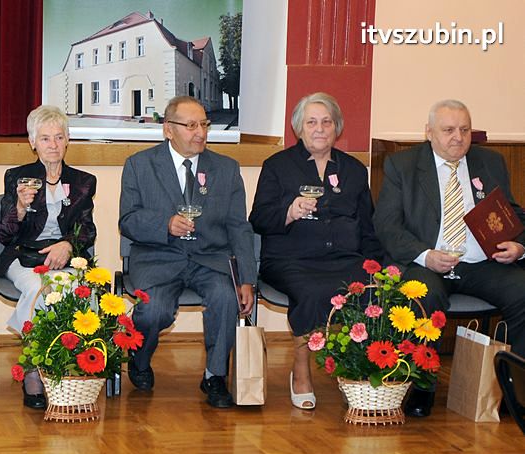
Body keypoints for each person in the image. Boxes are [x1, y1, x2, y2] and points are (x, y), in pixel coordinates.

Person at [374, 99, 525, 417]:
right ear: (429, 132)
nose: (458, 137)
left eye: (465, 130)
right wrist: (425, 255)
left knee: (523, 290)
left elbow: (512, 213)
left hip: (481, 263)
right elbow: (387, 225)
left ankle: (516, 391)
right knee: (423, 294)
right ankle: (422, 386)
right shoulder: (402, 165)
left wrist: (518, 246)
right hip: (427, 263)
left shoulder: (490, 162)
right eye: (449, 130)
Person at [119, 95, 256, 408]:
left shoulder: (226, 169)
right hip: (158, 258)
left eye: (204, 124)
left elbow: (239, 227)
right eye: (191, 125)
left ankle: (215, 376)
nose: (201, 133)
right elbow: (128, 220)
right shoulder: (139, 165)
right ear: (169, 129)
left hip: (210, 259)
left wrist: (247, 278)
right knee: (154, 311)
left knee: (225, 298)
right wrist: (165, 224)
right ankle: (139, 359)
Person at [249, 92, 382, 410]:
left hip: (344, 259)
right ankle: (301, 368)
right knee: (309, 291)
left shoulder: (353, 169)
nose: (319, 128)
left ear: (337, 127)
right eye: (311, 122)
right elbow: (258, 219)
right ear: (299, 128)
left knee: (373, 290)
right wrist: (289, 211)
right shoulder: (277, 166)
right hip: (290, 260)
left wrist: (378, 266)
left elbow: (368, 226)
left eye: (326, 122)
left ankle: (359, 369)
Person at [0, 105, 97, 410]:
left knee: (73, 288)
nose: (53, 145)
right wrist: (19, 208)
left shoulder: (83, 181)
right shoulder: (17, 177)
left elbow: (87, 230)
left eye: (59, 137)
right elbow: (5, 234)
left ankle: (63, 365)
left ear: (67, 141)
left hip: (64, 256)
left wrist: (68, 244)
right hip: (23, 255)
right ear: (32, 142)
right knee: (40, 289)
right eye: (45, 138)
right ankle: (34, 369)